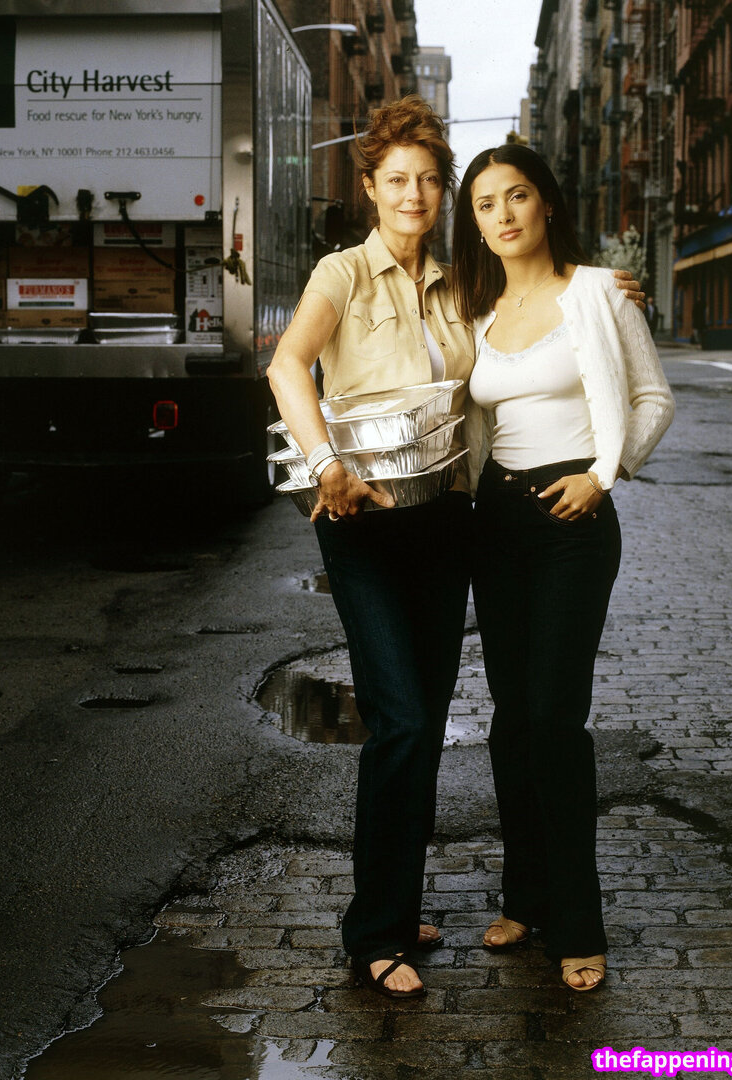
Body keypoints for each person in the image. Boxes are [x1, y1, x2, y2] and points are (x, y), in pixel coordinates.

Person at [267, 98, 644, 1001]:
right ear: (369, 186)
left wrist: (606, 292)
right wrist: (323, 466)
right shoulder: (341, 274)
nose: (416, 194)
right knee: (399, 719)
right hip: (361, 523)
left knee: (427, 723)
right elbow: (286, 365)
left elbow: (529, 328)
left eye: (431, 180)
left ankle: (399, 907)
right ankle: (376, 933)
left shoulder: (460, 288)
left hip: (447, 526)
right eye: (398, 179)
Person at [451, 143, 674, 992]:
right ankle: (525, 897)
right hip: (497, 519)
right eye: (485, 204)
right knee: (511, 720)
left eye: (517, 196)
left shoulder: (599, 292)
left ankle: (578, 922)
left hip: (573, 520)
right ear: (474, 223)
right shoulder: (475, 310)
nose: (503, 215)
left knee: (552, 718)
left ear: (546, 202)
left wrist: (603, 475)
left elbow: (653, 397)